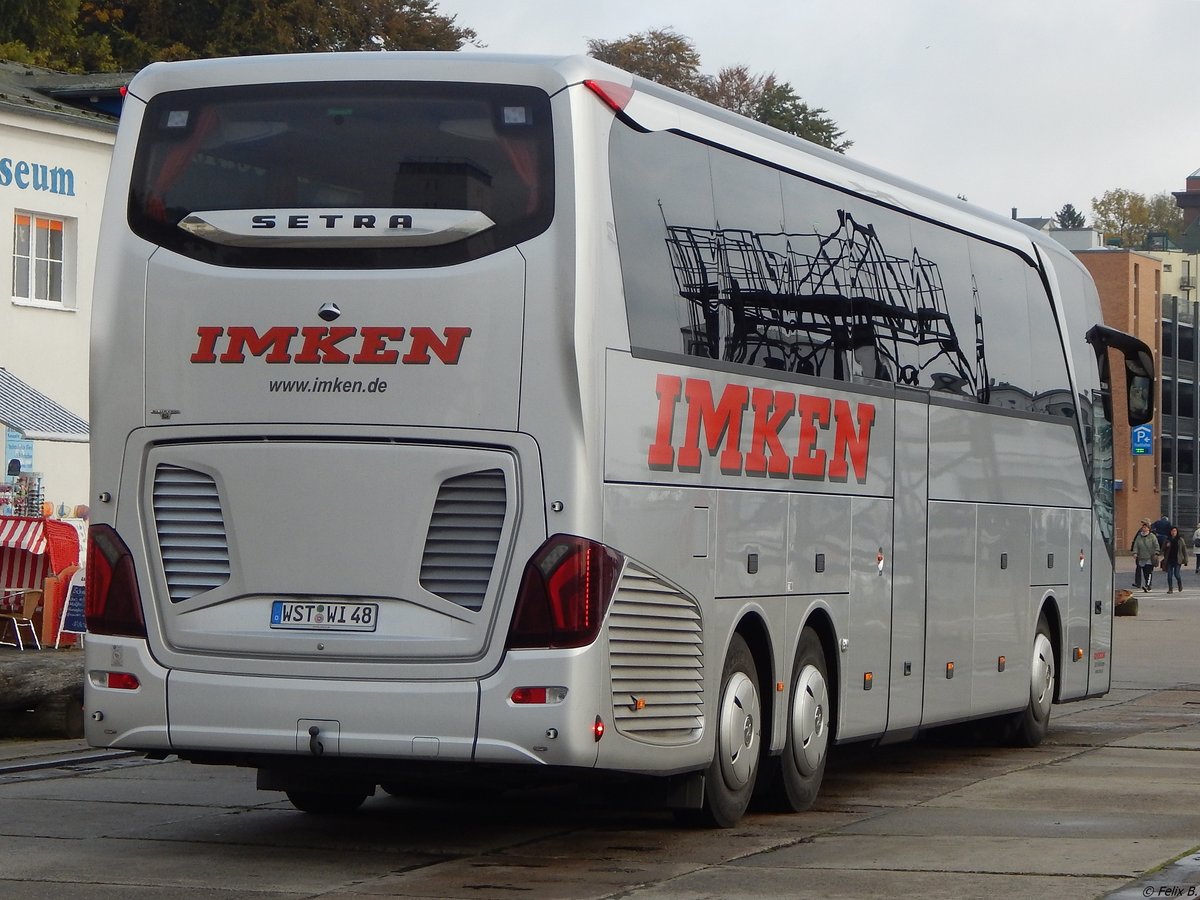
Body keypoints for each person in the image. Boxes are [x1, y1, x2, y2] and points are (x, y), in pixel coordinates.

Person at [1131, 520, 1160, 593]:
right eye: (1143, 527)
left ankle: (1148, 585)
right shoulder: (1139, 537)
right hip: (1142, 557)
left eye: (1145, 527)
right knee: (1144, 572)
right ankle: (1147, 583)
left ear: (1148, 528)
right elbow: (1136, 545)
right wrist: (1135, 553)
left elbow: (1156, 545)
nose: (1143, 529)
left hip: (1150, 557)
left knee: (1149, 571)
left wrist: (1156, 553)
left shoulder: (1152, 536)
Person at [1164, 526, 1189, 593]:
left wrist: (1186, 560)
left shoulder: (1180, 540)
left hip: (1177, 560)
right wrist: (1166, 546)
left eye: (1175, 531)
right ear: (1170, 532)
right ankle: (1170, 588)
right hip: (1169, 559)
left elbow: (1184, 550)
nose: (1173, 532)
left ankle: (1179, 584)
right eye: (1172, 531)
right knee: (1169, 575)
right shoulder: (1167, 539)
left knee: (1176, 574)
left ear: (1177, 532)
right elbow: (1163, 549)